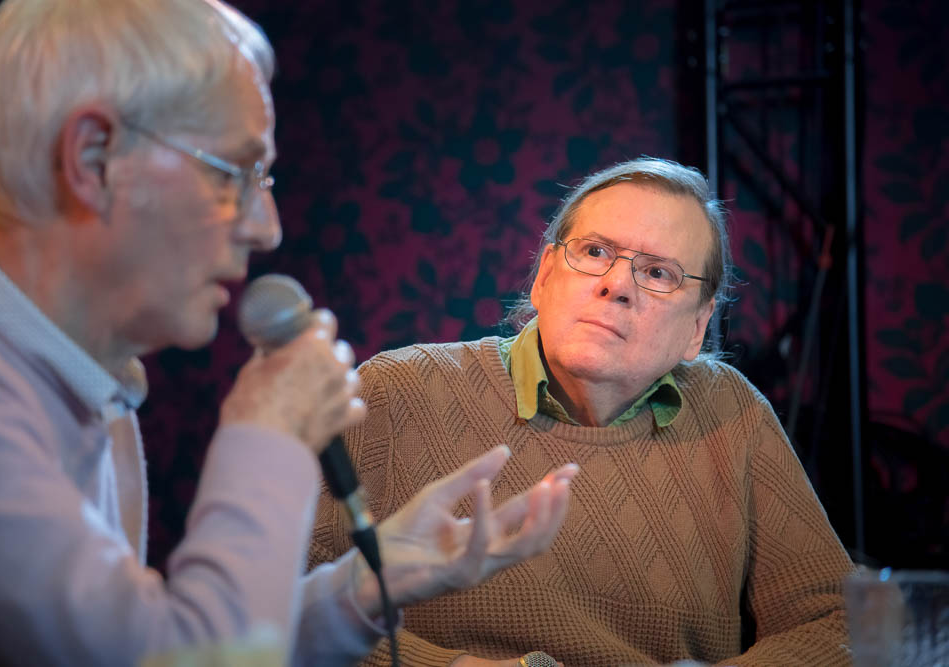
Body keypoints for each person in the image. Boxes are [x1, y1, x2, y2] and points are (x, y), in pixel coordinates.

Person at [0, 1, 578, 665]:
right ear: (94, 157)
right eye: (232, 173)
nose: (266, 227)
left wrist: (371, 582)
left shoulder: (60, 360)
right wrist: (271, 430)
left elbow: (159, 637)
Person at [309, 158, 856, 666]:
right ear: (545, 277)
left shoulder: (732, 412)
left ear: (697, 327)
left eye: (658, 273)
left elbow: (841, 623)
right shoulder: (396, 391)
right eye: (595, 252)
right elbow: (279, 609)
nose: (616, 285)